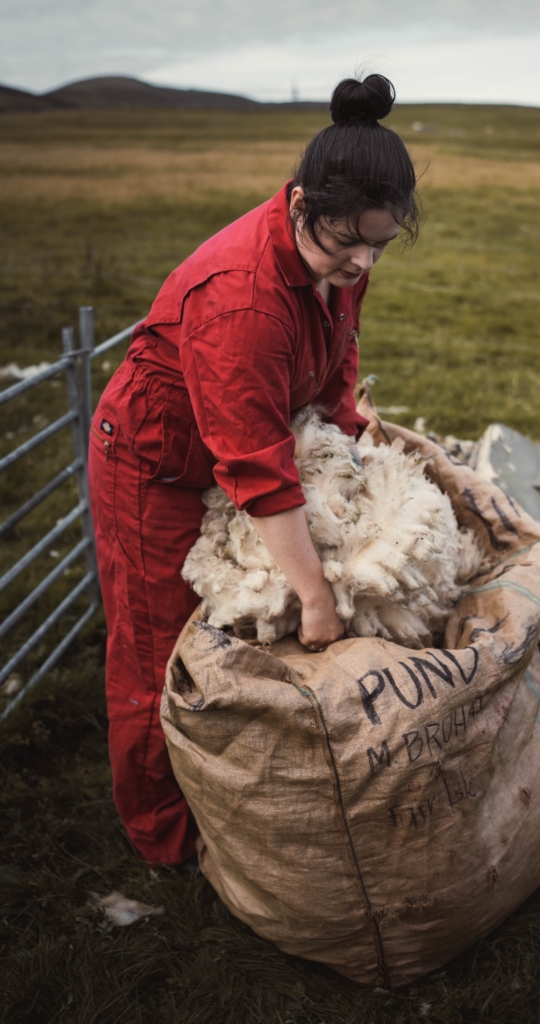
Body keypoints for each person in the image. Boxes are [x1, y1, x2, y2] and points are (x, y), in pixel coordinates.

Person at [88, 73, 420, 865]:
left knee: (226, 633)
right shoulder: (243, 299)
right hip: (155, 465)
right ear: (302, 204)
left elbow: (339, 356)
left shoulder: (338, 249)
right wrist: (314, 597)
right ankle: (164, 839)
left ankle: (227, 795)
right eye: (348, 243)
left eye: (379, 242)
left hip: (228, 453)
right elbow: (257, 467)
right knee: (157, 650)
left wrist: (345, 451)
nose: (364, 260)